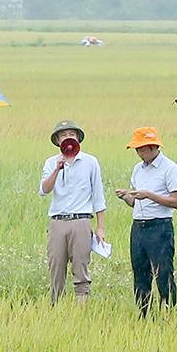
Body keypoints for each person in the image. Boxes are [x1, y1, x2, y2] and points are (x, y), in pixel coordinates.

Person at [115, 127, 177, 317]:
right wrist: (127, 197)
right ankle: (145, 314)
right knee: (140, 273)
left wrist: (149, 195)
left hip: (159, 227)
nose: (139, 153)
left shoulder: (169, 168)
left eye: (142, 149)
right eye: (137, 149)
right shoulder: (138, 169)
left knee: (163, 273)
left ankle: (168, 312)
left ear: (153, 147)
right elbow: (136, 203)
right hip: (138, 227)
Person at [39, 120, 106, 304]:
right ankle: (56, 306)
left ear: (77, 138)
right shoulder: (51, 162)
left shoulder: (90, 162)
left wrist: (100, 227)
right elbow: (44, 190)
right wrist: (56, 169)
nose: (68, 138)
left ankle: (81, 309)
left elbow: (98, 196)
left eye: (71, 134)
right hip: (58, 221)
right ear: (58, 140)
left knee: (81, 267)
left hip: (81, 221)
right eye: (63, 135)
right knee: (56, 266)